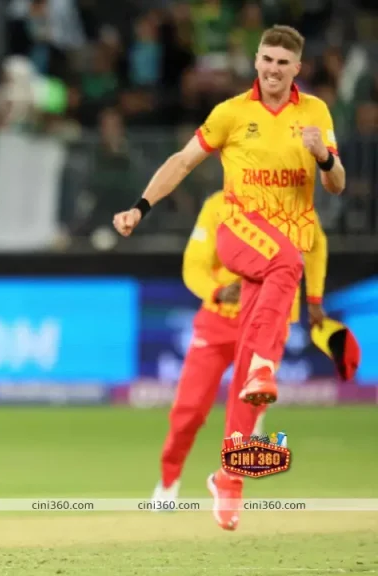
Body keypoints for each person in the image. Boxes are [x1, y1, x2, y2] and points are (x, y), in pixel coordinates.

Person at [112, 25, 345, 530]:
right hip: (239, 234)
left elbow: (336, 182)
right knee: (286, 264)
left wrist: (324, 156)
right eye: (266, 59)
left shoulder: (316, 114)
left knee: (251, 391)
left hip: (275, 278)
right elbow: (183, 161)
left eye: (283, 62)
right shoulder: (232, 113)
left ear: (297, 68)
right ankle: (167, 481)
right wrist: (140, 207)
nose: (273, 69)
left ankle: (228, 480)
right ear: (256, 60)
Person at [151, 191, 329, 527]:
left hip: (268, 323)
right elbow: (194, 265)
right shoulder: (219, 205)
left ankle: (229, 484)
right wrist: (217, 291)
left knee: (246, 411)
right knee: (188, 412)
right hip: (219, 321)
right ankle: (168, 480)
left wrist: (315, 297)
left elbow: (316, 247)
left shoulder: (298, 205)